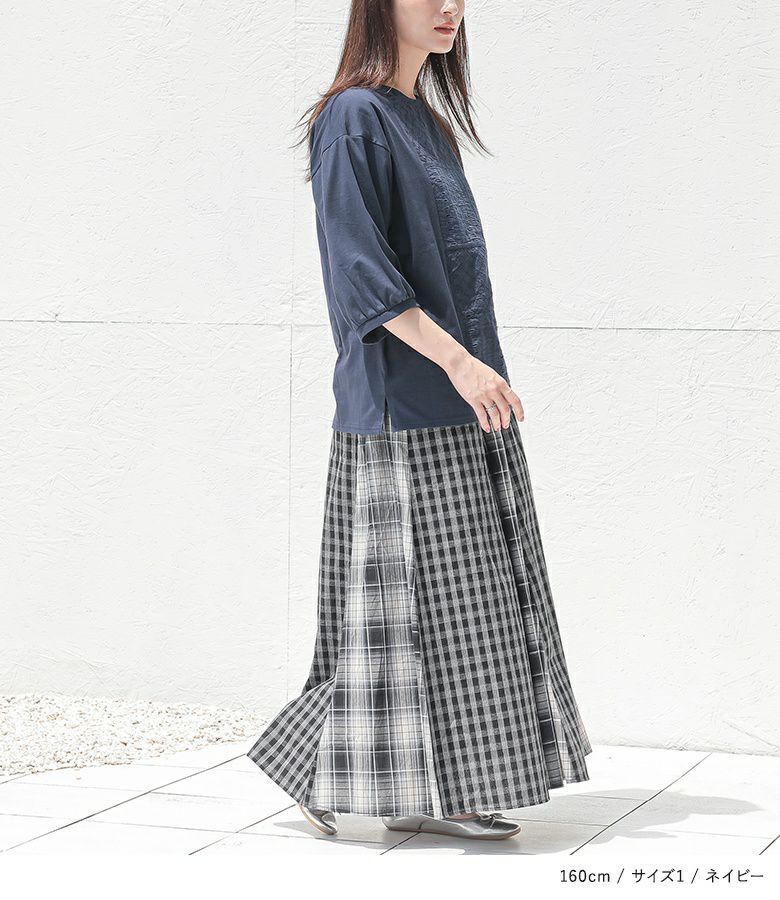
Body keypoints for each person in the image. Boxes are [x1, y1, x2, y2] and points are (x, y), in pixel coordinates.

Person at [246, 0, 592, 842]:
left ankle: (434, 790)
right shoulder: (352, 118)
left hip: (464, 398)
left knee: (467, 610)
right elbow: (360, 275)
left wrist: (477, 371)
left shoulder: (427, 126)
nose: (449, 8)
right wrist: (459, 364)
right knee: (397, 616)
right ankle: (316, 764)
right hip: (400, 405)